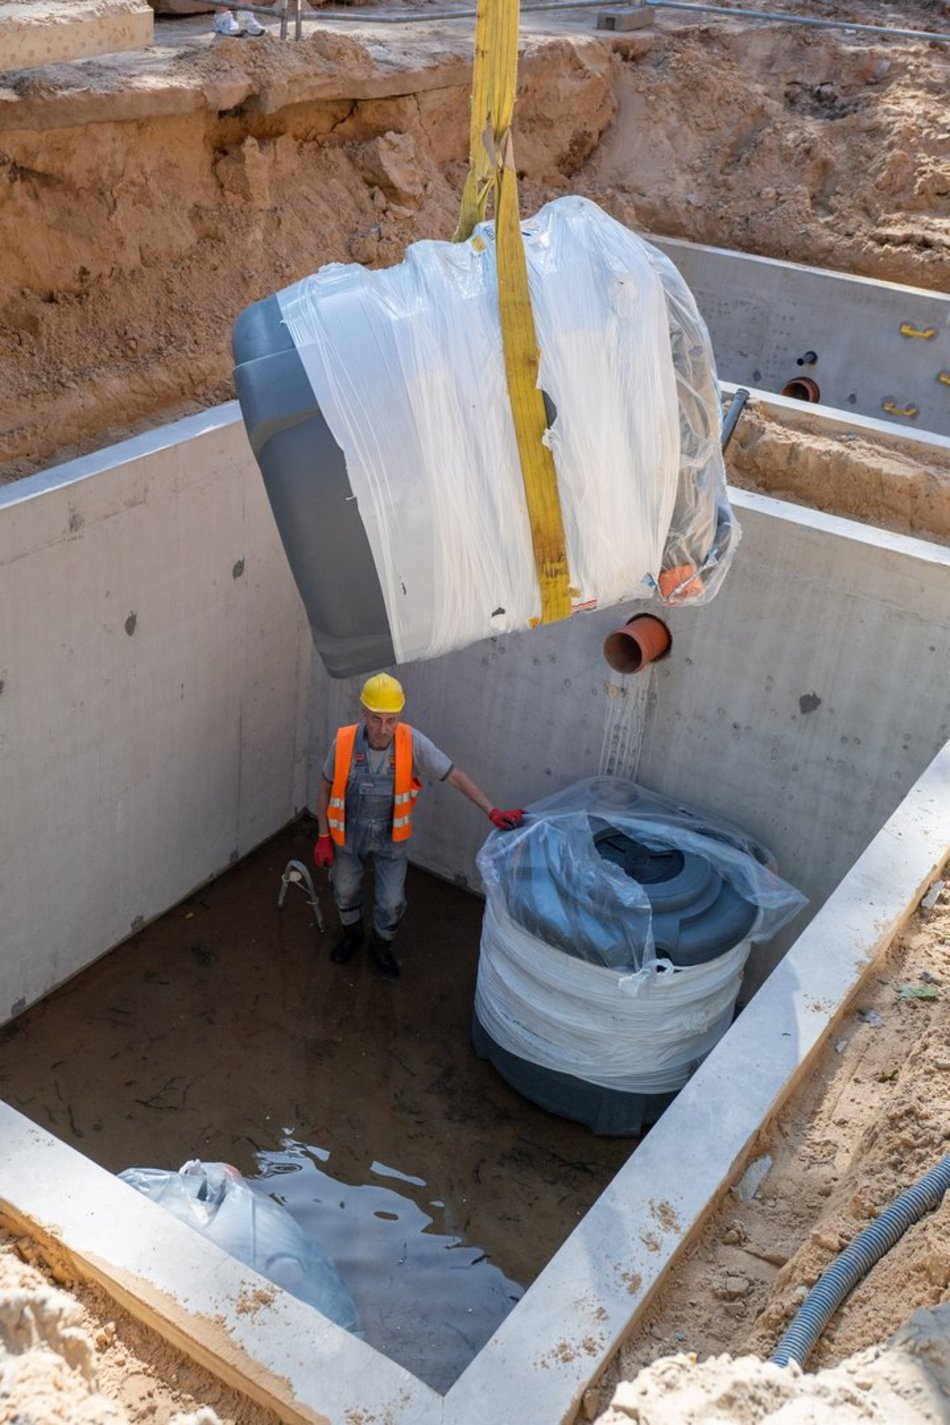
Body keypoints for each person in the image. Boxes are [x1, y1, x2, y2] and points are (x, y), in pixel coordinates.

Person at [313, 673, 524, 982]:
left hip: (390, 842)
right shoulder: (344, 741)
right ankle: (352, 936)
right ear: (363, 713)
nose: (384, 729)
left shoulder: (411, 742)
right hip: (348, 837)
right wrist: (322, 836)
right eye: (376, 719)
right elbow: (326, 786)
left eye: (391, 720)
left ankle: (381, 947)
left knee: (391, 901)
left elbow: (454, 775)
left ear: (400, 716)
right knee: (345, 890)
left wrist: (491, 810)